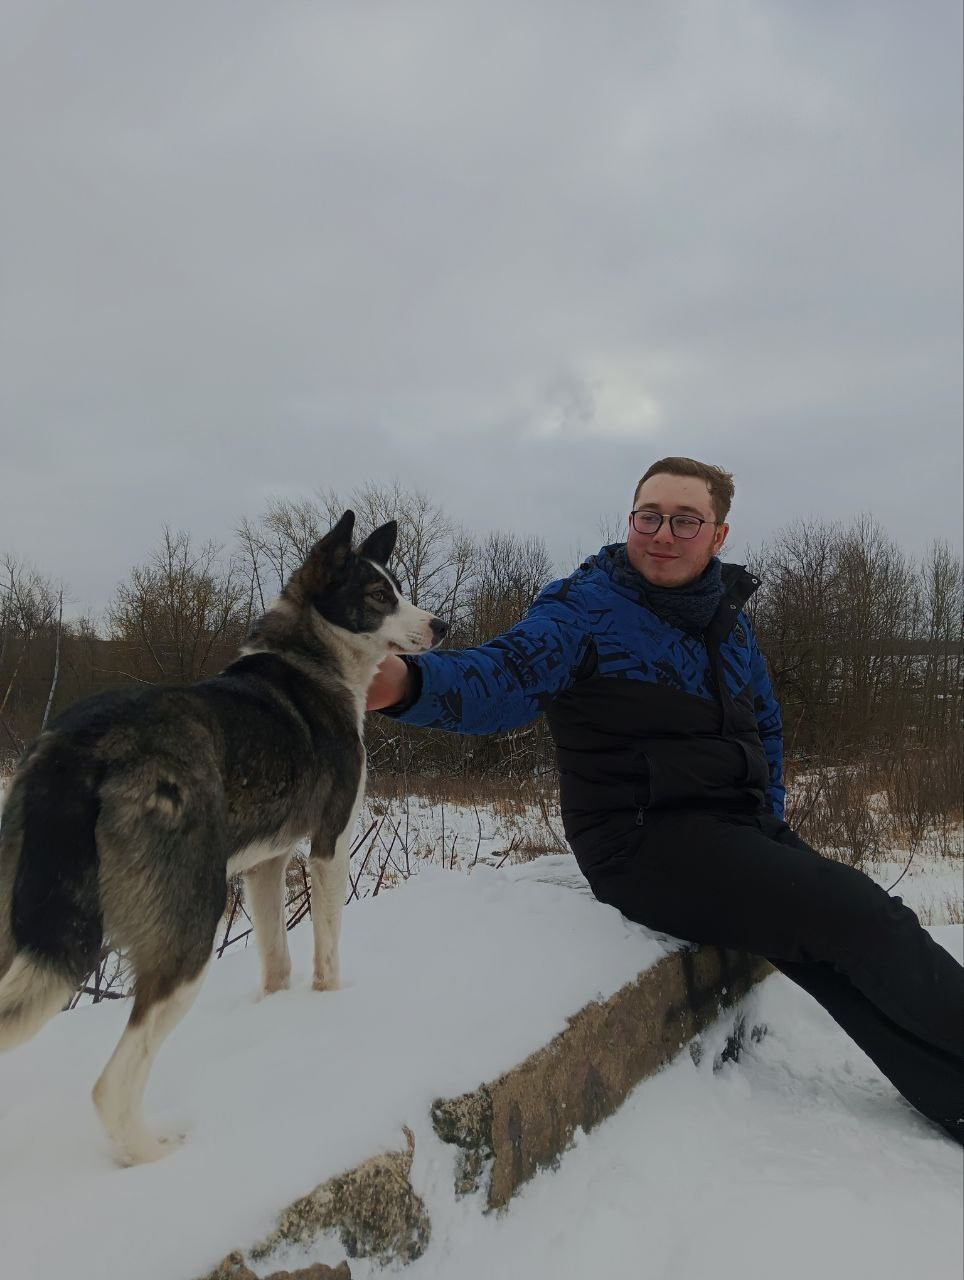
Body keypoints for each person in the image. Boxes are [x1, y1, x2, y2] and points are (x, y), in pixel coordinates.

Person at [367, 457, 964, 1143]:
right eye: (648, 516)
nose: (661, 534)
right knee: (866, 917)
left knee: (830, 948)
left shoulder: (727, 621)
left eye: (685, 521)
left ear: (719, 534)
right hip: (644, 840)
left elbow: (764, 724)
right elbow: (504, 676)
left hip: (737, 829)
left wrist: (767, 812)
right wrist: (408, 684)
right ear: (630, 520)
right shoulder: (583, 610)